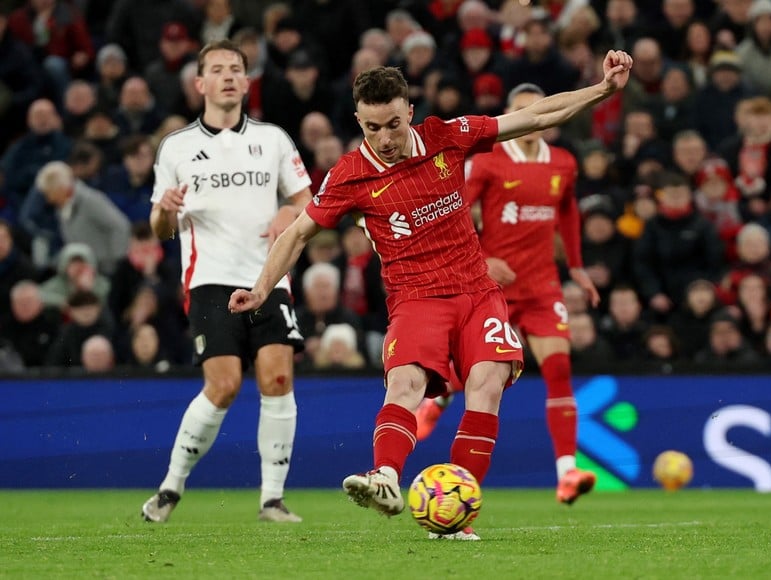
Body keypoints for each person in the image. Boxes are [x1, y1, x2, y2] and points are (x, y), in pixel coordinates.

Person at [228, 52, 633, 540]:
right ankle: (385, 479)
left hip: (477, 291)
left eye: (394, 124)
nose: (385, 137)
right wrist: (260, 288)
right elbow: (295, 235)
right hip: (416, 298)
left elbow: (535, 115)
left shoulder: (448, 136)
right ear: (359, 120)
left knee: (486, 384)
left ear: (410, 112)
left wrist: (603, 89)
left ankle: (456, 520)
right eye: (373, 127)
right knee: (406, 386)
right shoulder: (350, 175)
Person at [141, 40, 314, 525]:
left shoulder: (274, 139)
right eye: (217, 70)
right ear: (200, 84)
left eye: (236, 69)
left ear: (247, 80)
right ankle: (171, 487)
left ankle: (272, 500)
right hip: (209, 280)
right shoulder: (175, 147)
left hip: (267, 277)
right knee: (223, 385)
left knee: (278, 377)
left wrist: (287, 207)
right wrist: (165, 212)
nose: (228, 76)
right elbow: (160, 228)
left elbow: (307, 199)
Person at [412, 82, 599, 506]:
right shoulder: (490, 162)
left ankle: (567, 473)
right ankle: (439, 398)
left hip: (542, 286)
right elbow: (454, 210)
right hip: (493, 287)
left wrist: (578, 267)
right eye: (522, 110)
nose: (531, 118)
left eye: (537, 109)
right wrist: (480, 259)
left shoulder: (564, 164)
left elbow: (568, 211)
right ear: (511, 115)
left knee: (558, 370)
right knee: (483, 371)